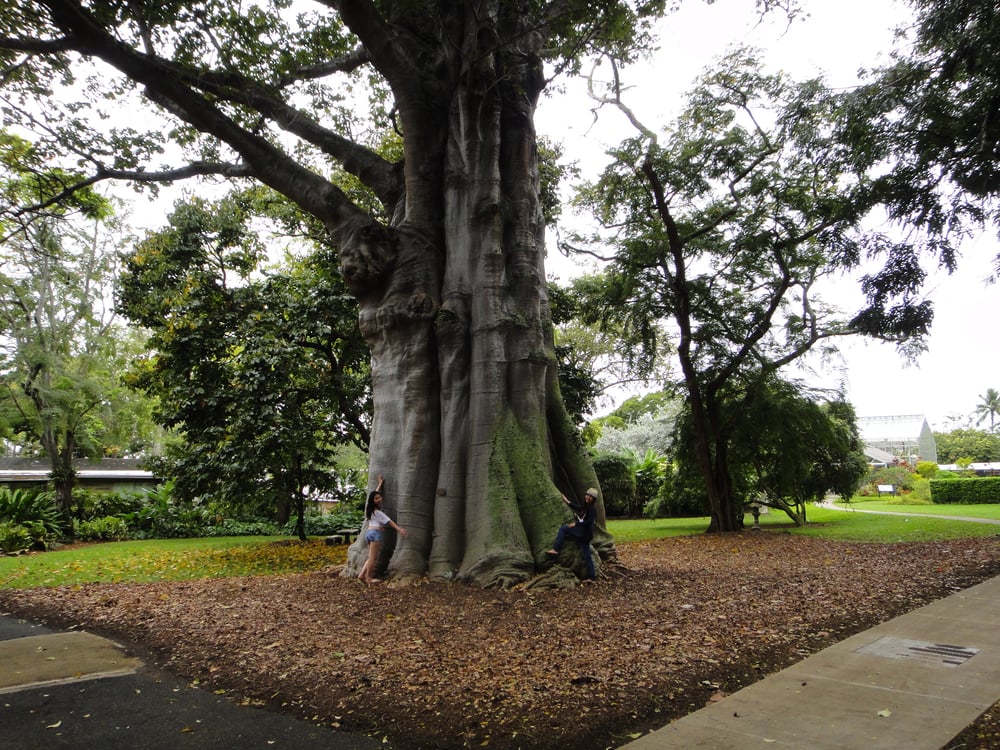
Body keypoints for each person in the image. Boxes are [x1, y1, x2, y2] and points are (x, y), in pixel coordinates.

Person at [359, 475, 407, 584]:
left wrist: (380, 484)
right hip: (375, 534)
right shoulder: (378, 512)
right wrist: (399, 529)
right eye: (377, 499)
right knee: (373, 558)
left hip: (369, 533)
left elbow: (374, 494)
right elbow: (390, 521)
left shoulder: (369, 509)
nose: (379, 499)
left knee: (370, 557)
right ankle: (369, 578)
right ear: (373, 501)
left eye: (379, 497)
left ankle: (361, 575)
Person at [546, 488, 598, 581]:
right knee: (586, 556)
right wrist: (567, 501)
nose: (588, 497)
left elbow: (589, 522)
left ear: (593, 499)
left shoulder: (592, 509)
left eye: (591, 497)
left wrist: (576, 524)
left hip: (583, 533)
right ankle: (592, 576)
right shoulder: (586, 506)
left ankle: (555, 549)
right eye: (587, 495)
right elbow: (578, 508)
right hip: (585, 535)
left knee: (563, 529)